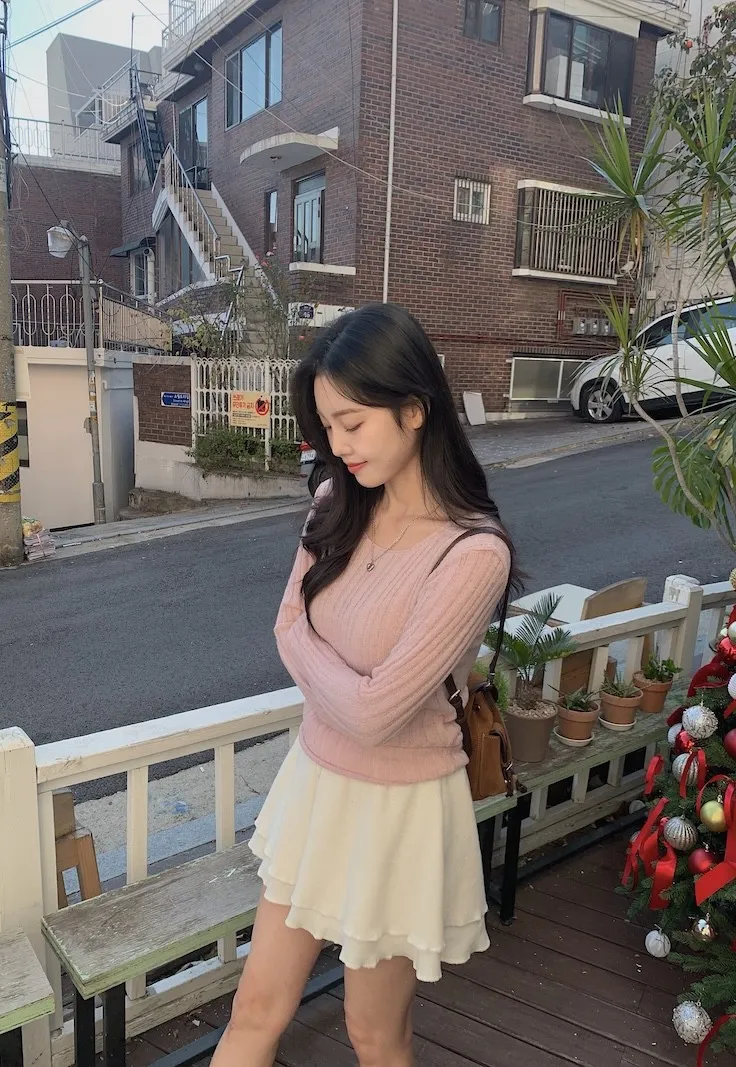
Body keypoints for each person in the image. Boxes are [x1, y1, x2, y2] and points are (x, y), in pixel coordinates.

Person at [210, 303, 517, 1067]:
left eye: (352, 423)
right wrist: (348, 686)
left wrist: (332, 678)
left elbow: (379, 714)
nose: (337, 446)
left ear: (414, 409)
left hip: (400, 810)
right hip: (318, 785)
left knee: (374, 1033)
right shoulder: (335, 504)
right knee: (255, 1009)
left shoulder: (473, 554)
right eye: (327, 427)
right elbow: (286, 628)